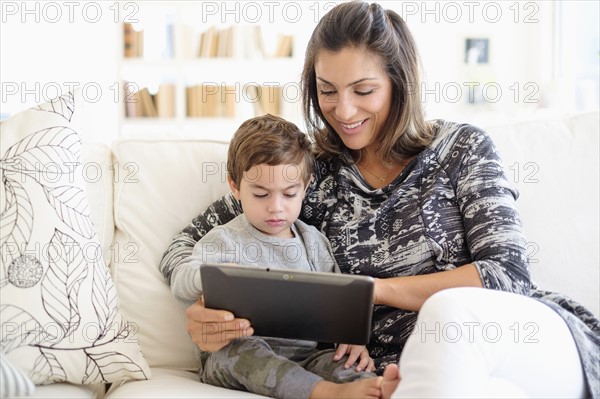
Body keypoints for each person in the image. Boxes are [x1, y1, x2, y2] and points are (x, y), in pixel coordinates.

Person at [160, 2, 600, 398]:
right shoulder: (308, 174)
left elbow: (507, 275)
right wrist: (208, 310)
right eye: (327, 90)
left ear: (398, 82)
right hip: (402, 373)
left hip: (513, 340)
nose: (344, 110)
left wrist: (371, 293)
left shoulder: (461, 149)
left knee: (447, 314)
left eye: (363, 90)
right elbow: (184, 247)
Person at [168, 114, 385, 399]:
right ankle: (323, 392)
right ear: (234, 186)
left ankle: (379, 388)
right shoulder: (224, 239)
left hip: (306, 357)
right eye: (260, 195)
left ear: (305, 187)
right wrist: (210, 274)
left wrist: (352, 339)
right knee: (244, 351)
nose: (276, 208)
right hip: (235, 354)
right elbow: (181, 282)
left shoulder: (313, 241)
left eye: (289, 194)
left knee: (343, 365)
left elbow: (339, 302)